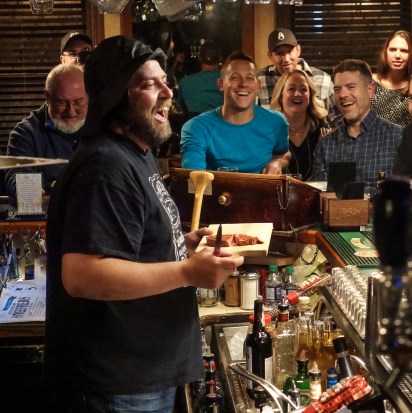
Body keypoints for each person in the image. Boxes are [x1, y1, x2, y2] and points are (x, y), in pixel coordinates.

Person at [44, 35, 244, 411]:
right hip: (116, 383)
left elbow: (127, 245)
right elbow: (84, 274)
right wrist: (187, 271)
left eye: (164, 79)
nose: (168, 91)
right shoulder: (105, 165)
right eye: (150, 84)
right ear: (118, 95)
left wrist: (177, 241)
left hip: (138, 373)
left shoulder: (134, 153)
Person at [180, 51, 290, 174]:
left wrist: (277, 162)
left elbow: (285, 154)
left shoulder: (276, 121)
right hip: (216, 193)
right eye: (234, 77)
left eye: (249, 78)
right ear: (221, 84)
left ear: (258, 85)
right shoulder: (196, 127)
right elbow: (193, 177)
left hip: (263, 192)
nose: (243, 84)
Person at [309, 59, 402, 187]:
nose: (342, 95)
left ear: (370, 90)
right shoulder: (325, 145)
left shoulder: (397, 137)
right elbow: (320, 198)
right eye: (337, 89)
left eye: (351, 87)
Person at [4, 64, 87, 196]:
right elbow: (19, 177)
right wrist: (30, 191)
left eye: (78, 102)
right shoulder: (26, 134)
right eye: (62, 102)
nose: (70, 111)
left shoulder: (102, 127)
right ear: (47, 97)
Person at [257, 28, 336, 120]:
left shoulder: (323, 79)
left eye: (290, 51)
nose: (286, 59)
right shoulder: (260, 79)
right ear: (270, 56)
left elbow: (336, 119)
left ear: (298, 50)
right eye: (279, 54)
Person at [270, 69, 328, 181]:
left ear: (310, 96)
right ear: (281, 95)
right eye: (291, 89)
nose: (298, 94)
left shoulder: (322, 127)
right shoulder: (269, 129)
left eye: (303, 89)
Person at [370, 30, 412, 127]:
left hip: (405, 140)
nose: (397, 56)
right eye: (393, 50)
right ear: (385, 52)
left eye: (404, 51)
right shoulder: (369, 82)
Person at [177, 40, 224, 117]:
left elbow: (184, 110)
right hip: (223, 127)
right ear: (220, 59)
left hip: (195, 127)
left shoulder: (185, 82)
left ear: (199, 58)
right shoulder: (229, 82)